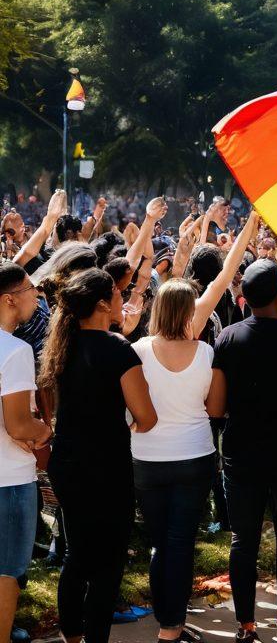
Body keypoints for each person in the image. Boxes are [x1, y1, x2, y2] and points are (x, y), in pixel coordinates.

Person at [40, 268, 158, 643]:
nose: (123, 298)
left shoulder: (63, 344)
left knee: (78, 557)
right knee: (107, 564)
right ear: (104, 303)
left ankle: (72, 637)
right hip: (106, 467)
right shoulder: (116, 349)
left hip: (68, 462)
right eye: (118, 294)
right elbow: (147, 416)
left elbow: (48, 399)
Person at [212, 259, 277, 643]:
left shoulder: (228, 338)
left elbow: (216, 407)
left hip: (242, 450)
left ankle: (246, 626)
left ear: (243, 298)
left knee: (244, 538)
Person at [130, 279, 226, 643]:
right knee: (180, 542)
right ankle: (172, 625)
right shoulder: (205, 354)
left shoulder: (137, 350)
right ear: (188, 313)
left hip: (148, 457)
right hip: (194, 456)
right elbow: (215, 409)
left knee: (160, 543)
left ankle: (167, 621)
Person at [0, 262, 52, 643]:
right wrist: (43, 430)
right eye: (31, 288)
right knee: (7, 573)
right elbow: (18, 426)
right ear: (9, 300)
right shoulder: (15, 351)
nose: (37, 295)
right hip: (10, 479)